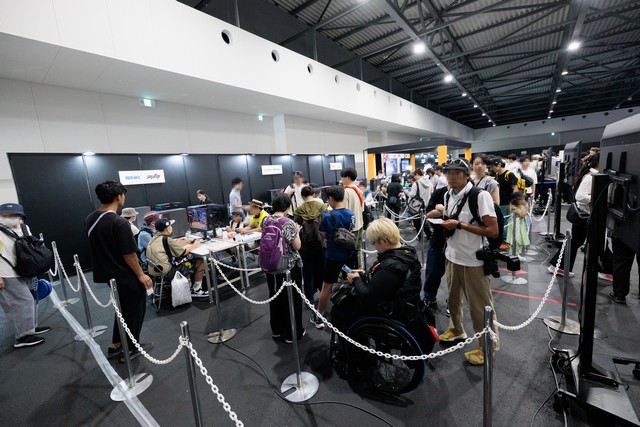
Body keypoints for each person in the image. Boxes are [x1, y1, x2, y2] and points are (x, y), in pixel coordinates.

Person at [438, 158, 500, 366]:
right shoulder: (447, 194)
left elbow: (493, 231)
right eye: (448, 172)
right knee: (453, 300)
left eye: (456, 172)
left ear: (466, 175)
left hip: (474, 260)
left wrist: (460, 225)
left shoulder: (480, 196)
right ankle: (456, 329)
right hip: (452, 256)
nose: (451, 176)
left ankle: (487, 347)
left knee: (480, 308)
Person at [84, 181, 153, 360]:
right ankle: (130, 348)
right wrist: (141, 274)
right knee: (134, 310)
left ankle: (116, 344)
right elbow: (129, 254)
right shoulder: (119, 222)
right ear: (118, 197)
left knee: (122, 309)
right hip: (125, 273)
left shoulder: (90, 218)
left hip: (108, 273)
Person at [332, 218, 422, 331]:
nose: (374, 246)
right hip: (402, 303)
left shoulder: (392, 266)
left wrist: (356, 280)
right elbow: (385, 280)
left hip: (389, 309)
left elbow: (368, 297)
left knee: (339, 311)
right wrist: (366, 275)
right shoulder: (407, 252)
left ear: (384, 241)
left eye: (374, 242)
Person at [0, 203, 50, 348]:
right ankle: (22, 336)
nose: (11, 218)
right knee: (20, 302)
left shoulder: (24, 227)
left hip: (25, 269)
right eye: (6, 216)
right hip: (6, 273)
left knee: (32, 299)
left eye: (15, 215)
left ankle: (30, 328)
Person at [261, 193, 305, 343]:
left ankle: (277, 330)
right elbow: (297, 246)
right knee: (291, 300)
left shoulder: (266, 220)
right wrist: (297, 232)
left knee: (274, 297)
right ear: (287, 206)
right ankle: (293, 334)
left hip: (270, 264)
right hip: (288, 267)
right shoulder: (288, 223)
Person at [548, 154, 600, 277]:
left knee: (576, 241)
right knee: (575, 241)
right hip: (584, 214)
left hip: (587, 214)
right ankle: (559, 266)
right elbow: (580, 196)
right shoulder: (591, 177)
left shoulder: (594, 175)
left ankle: (559, 266)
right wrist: (598, 198)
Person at [311, 186, 354, 329]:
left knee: (326, 287)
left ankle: (319, 317)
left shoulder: (328, 216)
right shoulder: (351, 214)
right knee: (350, 282)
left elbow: (322, 235)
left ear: (330, 198)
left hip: (333, 257)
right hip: (348, 254)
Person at [146, 218, 206, 298]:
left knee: (185, 261)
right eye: (170, 226)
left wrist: (188, 242)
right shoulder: (167, 239)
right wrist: (195, 244)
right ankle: (196, 290)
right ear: (167, 228)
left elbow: (173, 246)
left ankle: (187, 286)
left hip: (155, 272)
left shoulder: (155, 238)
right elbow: (184, 252)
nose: (171, 227)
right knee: (200, 261)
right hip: (167, 273)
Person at [294, 185, 327, 303]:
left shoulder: (299, 210)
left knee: (307, 272)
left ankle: (310, 298)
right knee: (322, 269)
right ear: (313, 194)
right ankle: (323, 294)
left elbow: (297, 225)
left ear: (302, 196)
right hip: (321, 243)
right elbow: (326, 222)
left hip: (305, 245)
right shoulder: (322, 207)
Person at [422, 186, 449, 307]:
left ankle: (453, 303)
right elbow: (429, 213)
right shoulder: (439, 192)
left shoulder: (469, 193)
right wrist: (443, 211)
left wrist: (442, 209)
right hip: (438, 239)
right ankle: (429, 297)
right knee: (432, 271)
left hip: (459, 242)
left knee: (456, 277)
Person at [340, 168, 364, 268]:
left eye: (342, 177)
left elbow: (344, 211)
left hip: (350, 228)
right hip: (359, 224)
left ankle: (350, 273)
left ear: (348, 178)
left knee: (349, 253)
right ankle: (359, 270)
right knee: (358, 250)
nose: (341, 179)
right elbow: (362, 208)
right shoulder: (358, 190)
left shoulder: (346, 192)